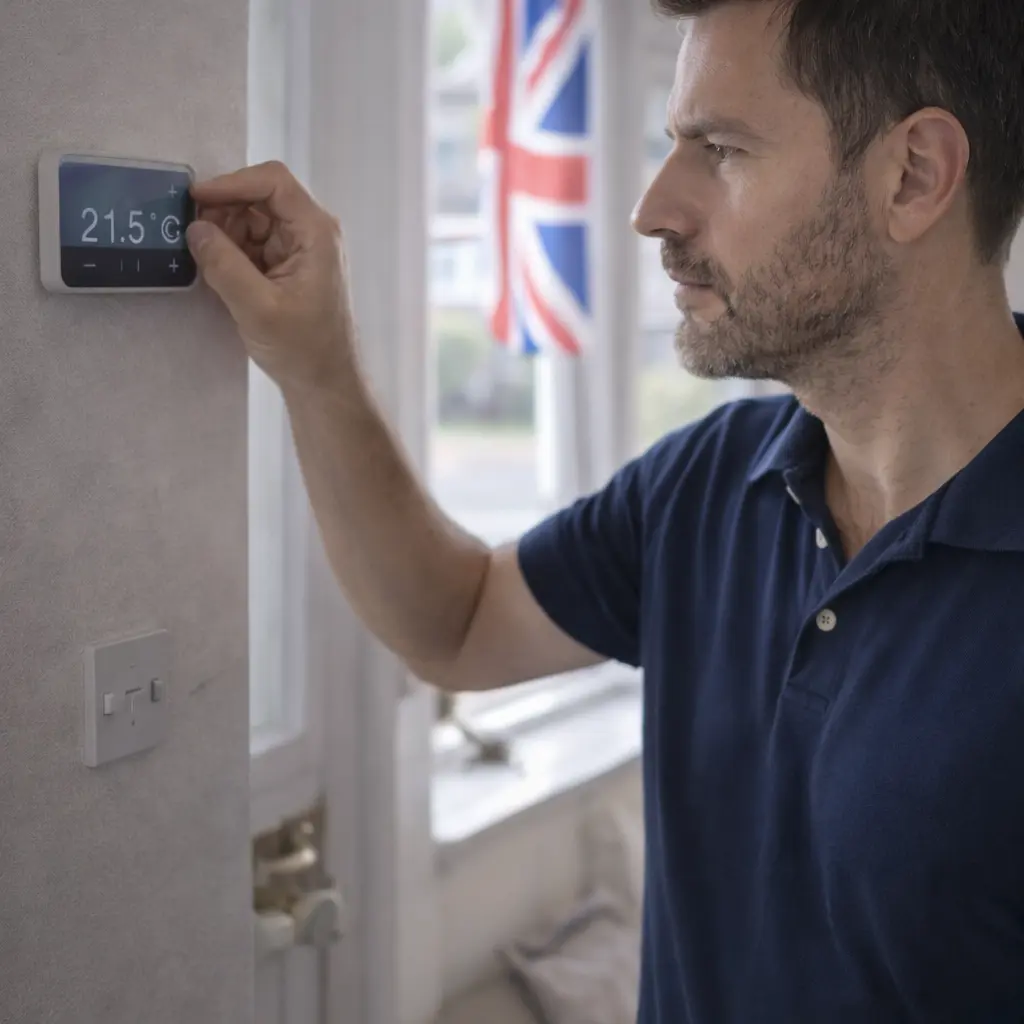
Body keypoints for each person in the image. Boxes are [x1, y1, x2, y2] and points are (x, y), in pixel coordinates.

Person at [186, 0, 1024, 1019]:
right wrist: (315, 366)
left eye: (720, 149)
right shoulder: (710, 482)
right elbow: (454, 624)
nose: (652, 209)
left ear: (914, 175)